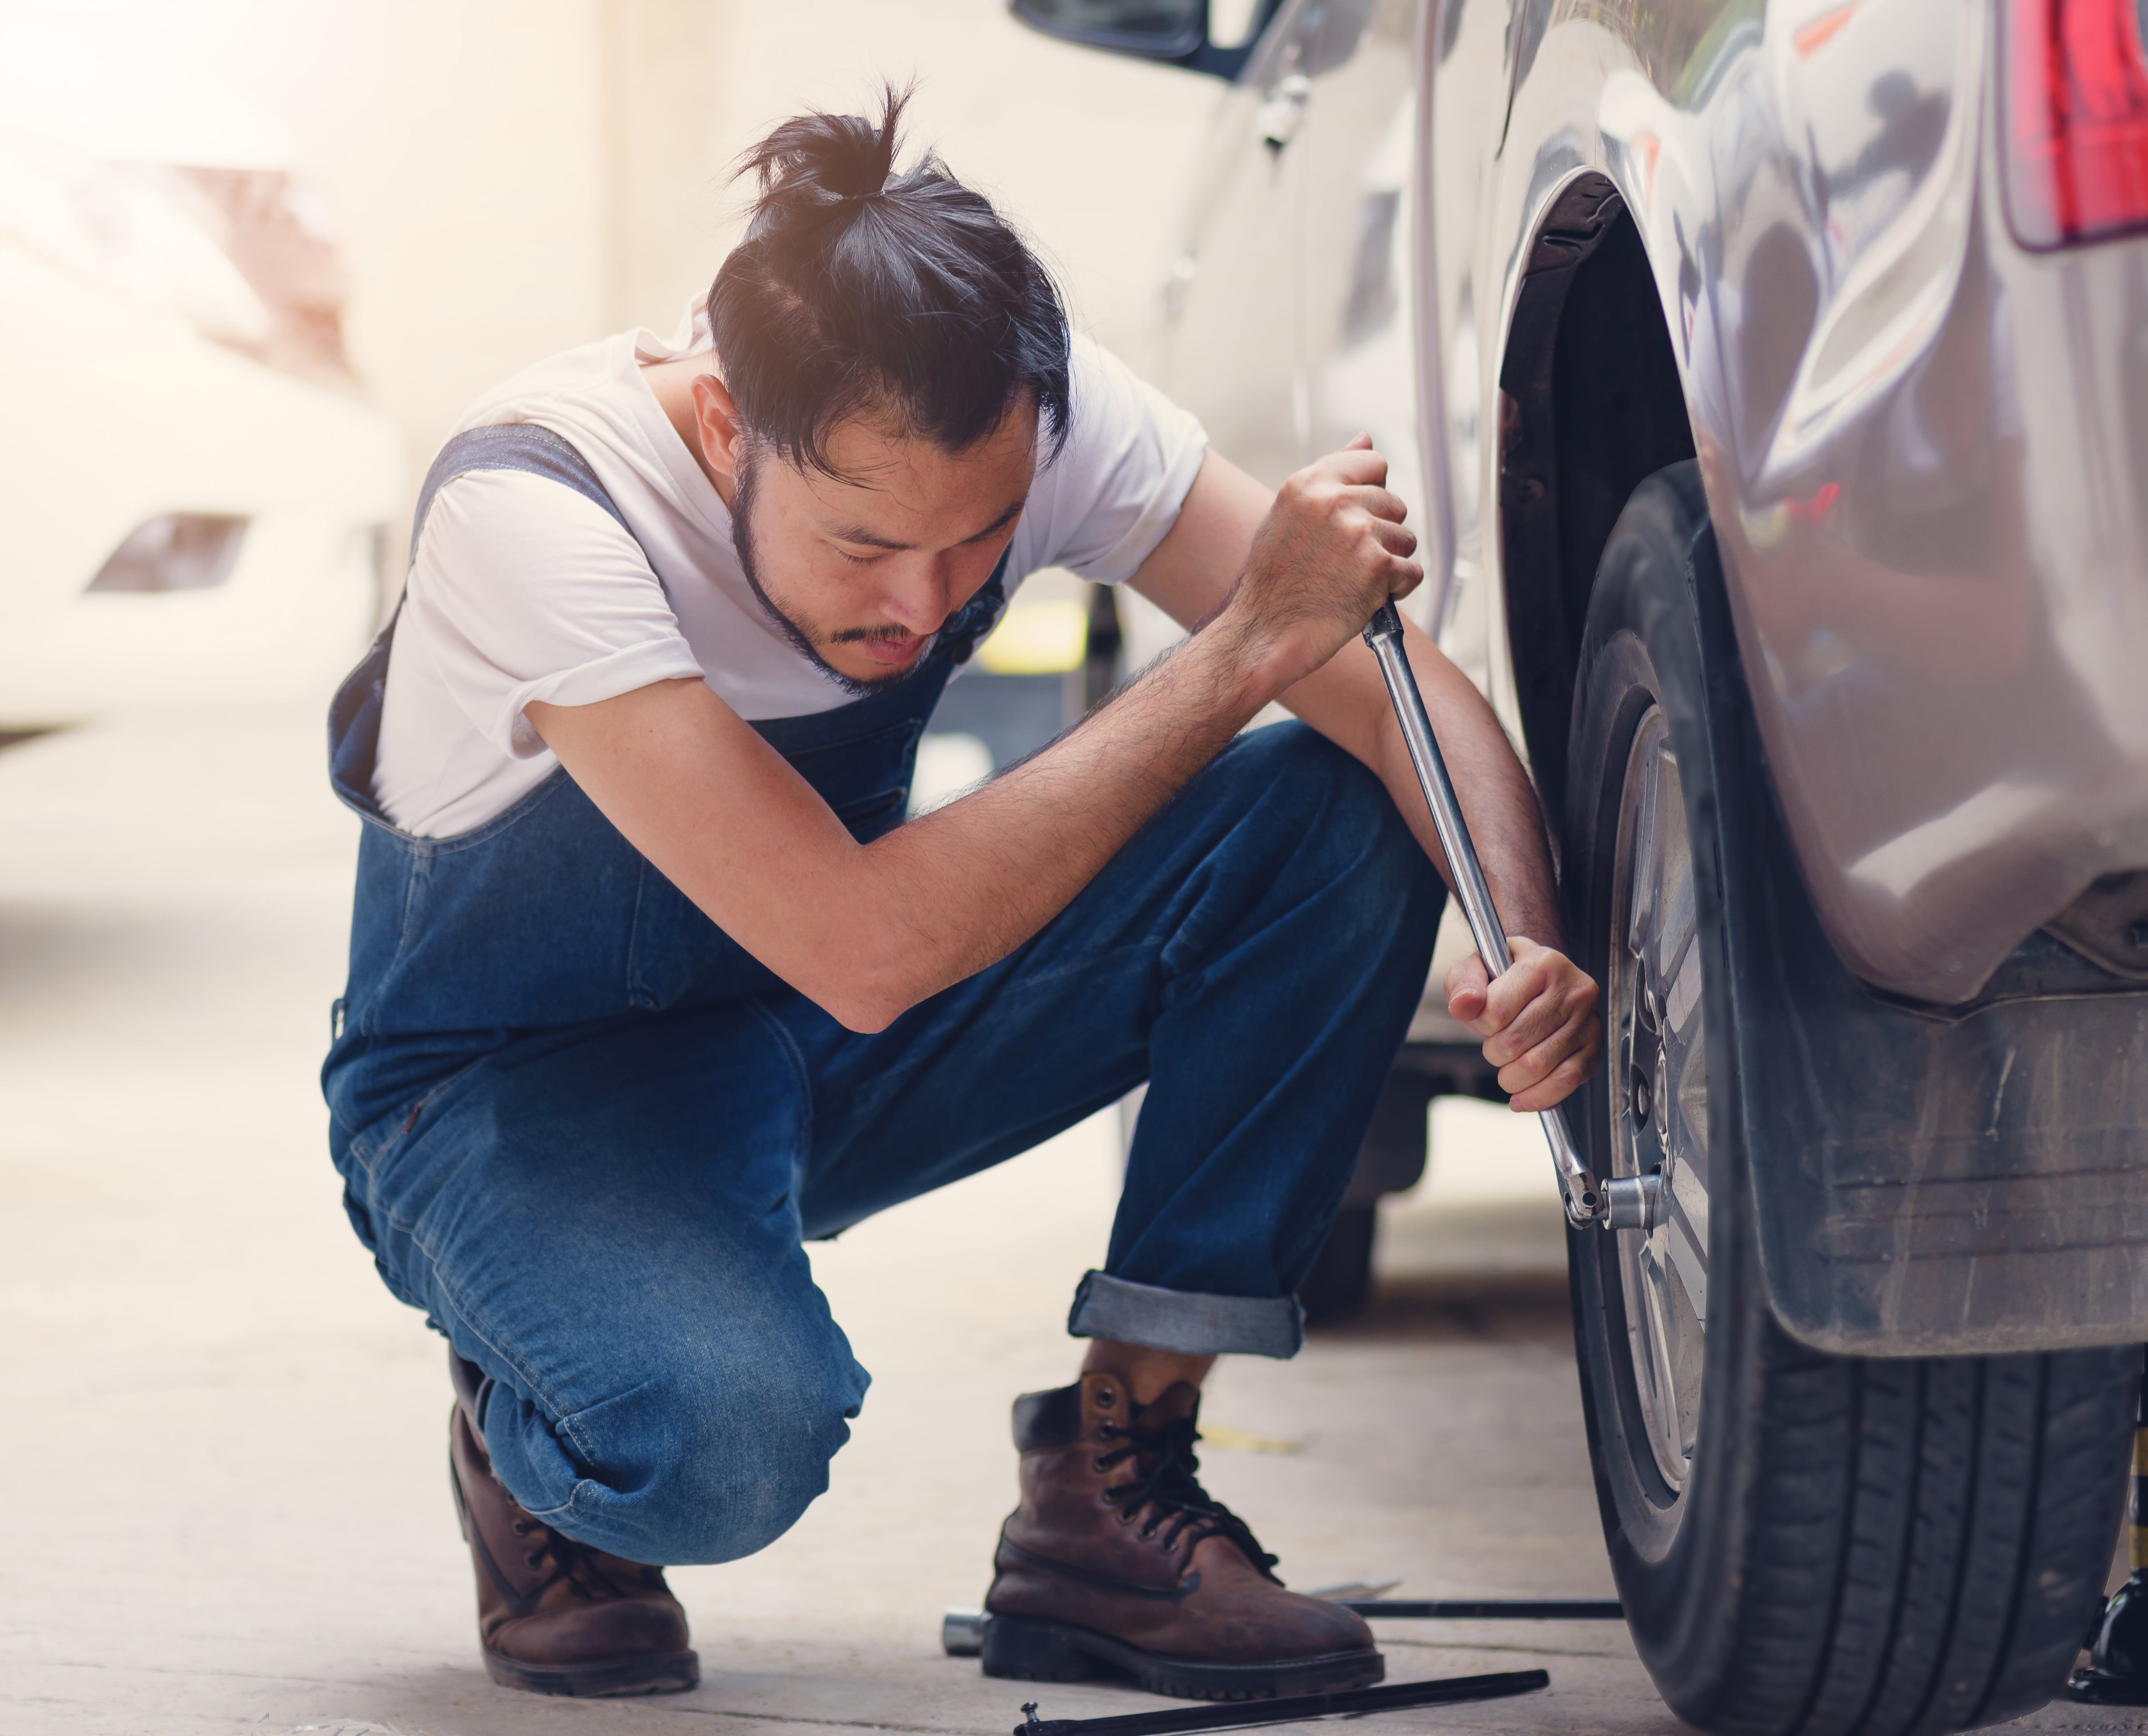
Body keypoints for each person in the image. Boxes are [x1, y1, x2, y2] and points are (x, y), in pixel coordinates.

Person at [321, 94, 1595, 1703]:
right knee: (719, 1448)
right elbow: (865, 949)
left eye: (975, 543)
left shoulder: (1024, 411)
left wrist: (1524, 943)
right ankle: (535, 1409)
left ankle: (1113, 1491)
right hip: (519, 1093)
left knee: (1336, 812)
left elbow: (1401, 698)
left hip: (818, 1029)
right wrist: (1242, 649)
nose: (922, 602)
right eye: (862, 546)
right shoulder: (536, 513)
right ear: (722, 428)